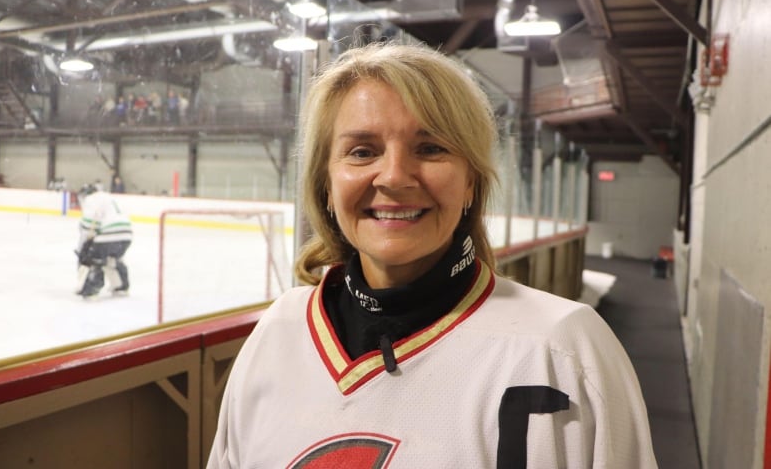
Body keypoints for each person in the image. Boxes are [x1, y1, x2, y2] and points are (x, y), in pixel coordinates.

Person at [207, 43, 658, 468]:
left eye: (431, 148)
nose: (395, 176)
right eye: (362, 151)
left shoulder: (561, 347)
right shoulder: (278, 331)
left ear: (470, 184)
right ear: (326, 185)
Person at [75, 182, 132, 297]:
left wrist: (82, 251)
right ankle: (120, 286)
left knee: (95, 259)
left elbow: (88, 226)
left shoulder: (90, 199)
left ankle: (92, 289)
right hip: (127, 234)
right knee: (113, 258)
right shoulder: (109, 197)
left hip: (108, 233)